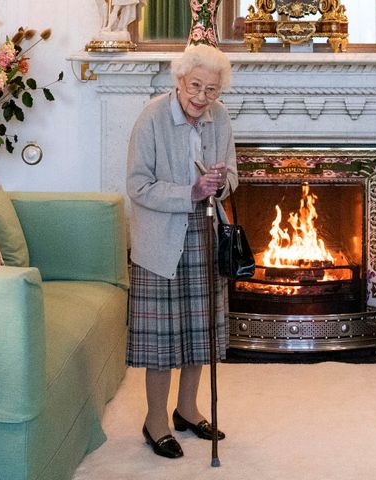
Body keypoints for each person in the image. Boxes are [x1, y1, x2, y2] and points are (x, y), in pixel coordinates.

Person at [126, 43, 237, 460]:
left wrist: (219, 184)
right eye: (195, 86)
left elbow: (233, 175)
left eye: (211, 90)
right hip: (160, 240)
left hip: (205, 233)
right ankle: (155, 421)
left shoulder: (219, 117)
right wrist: (190, 191)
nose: (202, 97)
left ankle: (187, 410)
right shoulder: (152, 117)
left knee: (199, 330)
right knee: (162, 341)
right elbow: (137, 186)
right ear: (179, 80)